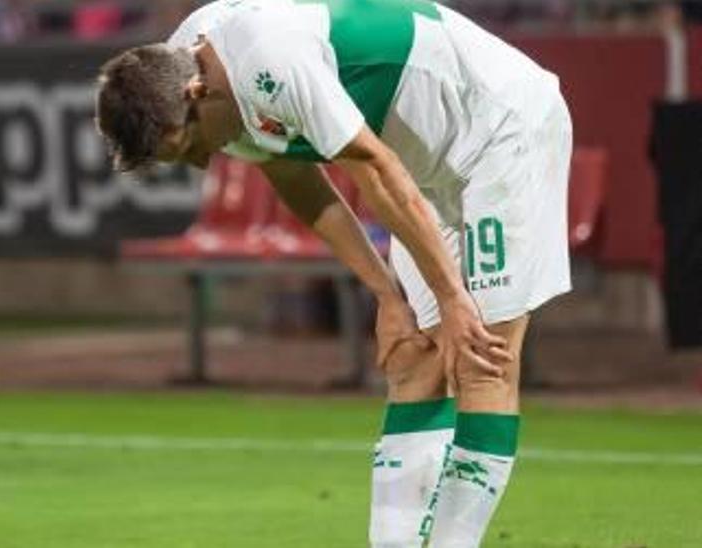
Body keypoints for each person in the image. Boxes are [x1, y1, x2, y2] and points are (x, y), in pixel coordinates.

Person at [94, 1, 572, 546]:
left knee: (483, 360)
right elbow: (296, 177)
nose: (204, 162)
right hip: (421, 171)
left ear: (194, 94)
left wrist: (454, 299)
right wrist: (387, 297)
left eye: (190, 145)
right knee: (415, 358)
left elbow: (373, 167)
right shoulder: (184, 59)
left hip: (499, 129)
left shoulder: (267, 56)